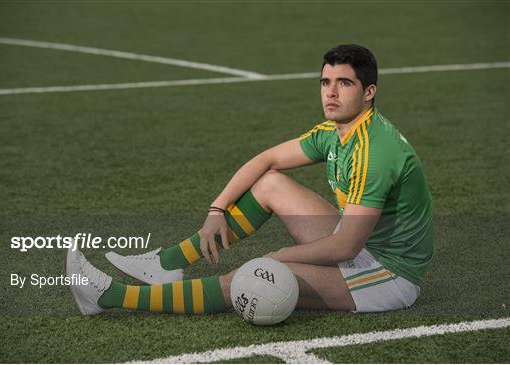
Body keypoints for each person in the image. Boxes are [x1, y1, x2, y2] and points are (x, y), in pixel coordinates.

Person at [67, 44, 433, 316]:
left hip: (388, 274)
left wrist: (277, 257)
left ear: (369, 92)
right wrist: (216, 208)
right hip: (361, 245)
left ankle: (109, 297)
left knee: (253, 276)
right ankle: (167, 264)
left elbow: (344, 249)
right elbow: (266, 160)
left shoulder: (375, 152)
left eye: (344, 83)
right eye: (325, 81)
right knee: (271, 182)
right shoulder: (336, 132)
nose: (331, 93)